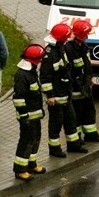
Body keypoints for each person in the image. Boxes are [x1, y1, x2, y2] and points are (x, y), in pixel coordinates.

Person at [40, 23, 87, 157]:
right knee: (56, 124)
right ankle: (54, 149)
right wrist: (50, 96)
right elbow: (45, 78)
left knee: (71, 120)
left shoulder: (60, 48)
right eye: (66, 37)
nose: (68, 39)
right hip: (56, 97)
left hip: (65, 93)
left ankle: (74, 145)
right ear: (60, 38)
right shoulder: (49, 55)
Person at [65, 20, 99, 145]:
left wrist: (89, 79)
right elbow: (69, 69)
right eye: (86, 34)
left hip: (85, 84)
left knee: (89, 108)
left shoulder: (83, 47)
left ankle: (91, 134)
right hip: (75, 86)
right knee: (76, 111)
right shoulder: (68, 48)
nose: (88, 36)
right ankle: (76, 137)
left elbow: (87, 65)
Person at [12, 44, 48, 181]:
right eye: (39, 59)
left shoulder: (31, 71)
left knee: (35, 139)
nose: (40, 62)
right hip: (27, 116)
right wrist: (23, 117)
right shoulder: (22, 75)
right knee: (26, 142)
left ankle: (31, 164)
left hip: (35, 114)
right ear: (34, 60)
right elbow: (19, 99)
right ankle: (20, 169)